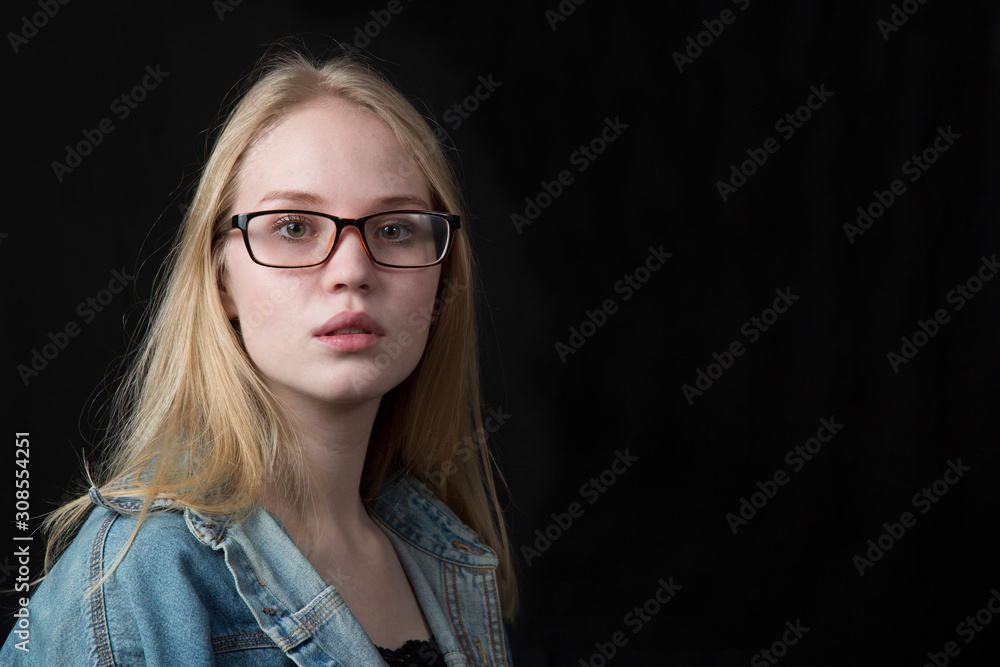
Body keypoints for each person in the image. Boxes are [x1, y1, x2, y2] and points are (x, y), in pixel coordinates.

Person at [1, 47, 517, 666]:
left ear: (441, 282)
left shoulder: (444, 557)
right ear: (221, 279)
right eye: (295, 226)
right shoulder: (135, 577)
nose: (351, 271)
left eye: (395, 228)